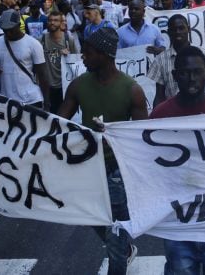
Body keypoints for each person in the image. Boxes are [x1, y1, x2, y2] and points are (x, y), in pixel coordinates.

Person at [58, 27, 147, 275]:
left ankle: (120, 252)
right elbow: (57, 123)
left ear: (104, 55)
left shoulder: (132, 90)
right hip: (87, 165)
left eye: (87, 52)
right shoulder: (78, 86)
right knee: (89, 216)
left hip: (117, 171)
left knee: (115, 233)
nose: (83, 57)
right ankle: (124, 248)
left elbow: (141, 136)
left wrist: (113, 134)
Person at [149, 45, 205, 275]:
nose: (191, 79)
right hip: (178, 222)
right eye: (185, 73)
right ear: (174, 75)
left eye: (197, 72)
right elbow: (144, 161)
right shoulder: (160, 116)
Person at [148, 15, 205, 107]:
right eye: (174, 29)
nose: (178, 32)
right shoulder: (160, 60)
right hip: (174, 112)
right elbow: (159, 95)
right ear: (169, 32)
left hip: (202, 110)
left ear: (188, 29)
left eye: (181, 28)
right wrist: (156, 114)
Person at [0, 10, 50, 109]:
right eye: (5, 30)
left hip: (31, 100)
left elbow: (43, 75)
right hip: (7, 101)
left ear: (18, 25)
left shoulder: (33, 44)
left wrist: (47, 103)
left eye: (11, 29)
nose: (8, 33)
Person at [40, 11, 78, 113]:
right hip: (48, 86)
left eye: (56, 20)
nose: (52, 23)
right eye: (50, 20)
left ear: (61, 23)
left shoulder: (68, 39)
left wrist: (69, 55)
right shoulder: (42, 39)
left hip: (65, 85)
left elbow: (77, 61)